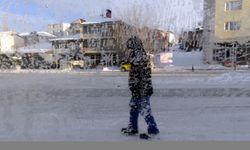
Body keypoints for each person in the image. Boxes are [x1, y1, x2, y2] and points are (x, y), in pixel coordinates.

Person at [121, 36, 159, 136]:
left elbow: (143, 76)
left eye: (130, 46)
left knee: (145, 109)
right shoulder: (135, 54)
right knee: (133, 108)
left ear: (134, 45)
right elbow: (134, 71)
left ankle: (153, 129)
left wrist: (142, 90)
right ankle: (133, 128)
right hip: (136, 89)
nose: (129, 49)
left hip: (142, 89)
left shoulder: (140, 55)